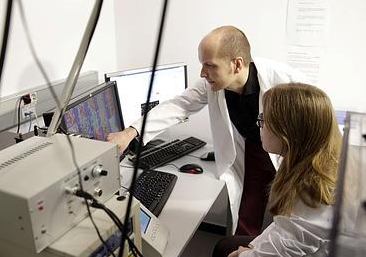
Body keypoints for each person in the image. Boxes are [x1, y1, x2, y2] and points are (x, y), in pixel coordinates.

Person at [107, 26, 307, 235]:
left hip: (291, 157)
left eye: (209, 65)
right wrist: (130, 132)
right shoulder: (212, 85)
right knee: (248, 216)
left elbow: (318, 124)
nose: (203, 73)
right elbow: (180, 105)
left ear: (236, 64)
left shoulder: (285, 80)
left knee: (289, 222)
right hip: (253, 154)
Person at [212, 83, 342, 257]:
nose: (259, 125)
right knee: (226, 245)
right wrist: (252, 249)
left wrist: (245, 255)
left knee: (226, 256)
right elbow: (285, 228)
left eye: (263, 120)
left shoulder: (313, 189)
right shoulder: (318, 162)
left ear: (287, 131)